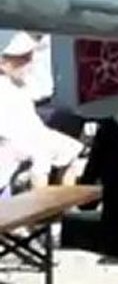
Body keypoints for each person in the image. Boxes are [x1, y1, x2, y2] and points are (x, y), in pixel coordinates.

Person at [0, 32, 84, 191]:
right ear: (4, 62)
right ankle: (40, 211)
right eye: (22, 58)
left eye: (29, 56)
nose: (28, 62)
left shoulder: (20, 85)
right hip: (10, 144)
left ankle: (63, 205)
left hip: (30, 135)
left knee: (71, 149)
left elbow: (32, 122)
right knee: (40, 157)